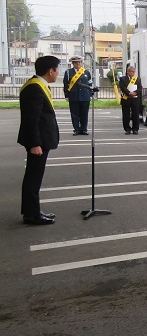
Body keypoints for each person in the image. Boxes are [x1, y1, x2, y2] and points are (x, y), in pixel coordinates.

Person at [18, 55, 61, 225]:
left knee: (34, 177)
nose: (58, 73)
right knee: (33, 177)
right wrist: (34, 143)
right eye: (57, 69)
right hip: (38, 142)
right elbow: (31, 119)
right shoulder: (35, 88)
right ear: (50, 71)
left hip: (41, 140)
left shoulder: (38, 85)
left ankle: (31, 210)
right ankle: (32, 214)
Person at [62, 55, 92, 135]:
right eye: (76, 62)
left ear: (82, 63)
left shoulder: (86, 72)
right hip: (74, 96)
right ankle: (76, 129)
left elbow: (90, 84)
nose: (78, 64)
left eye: (79, 62)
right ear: (73, 63)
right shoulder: (68, 72)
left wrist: (90, 94)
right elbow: (66, 85)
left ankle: (84, 129)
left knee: (84, 114)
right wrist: (66, 95)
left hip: (85, 96)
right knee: (75, 114)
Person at [118, 64, 142, 135]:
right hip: (126, 99)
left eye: (133, 72)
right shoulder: (123, 79)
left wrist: (135, 92)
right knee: (126, 115)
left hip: (135, 99)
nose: (132, 73)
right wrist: (129, 93)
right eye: (131, 71)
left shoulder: (137, 79)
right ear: (128, 72)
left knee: (135, 114)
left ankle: (135, 129)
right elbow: (122, 88)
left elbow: (140, 88)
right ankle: (127, 129)